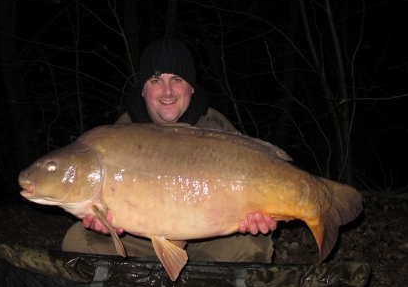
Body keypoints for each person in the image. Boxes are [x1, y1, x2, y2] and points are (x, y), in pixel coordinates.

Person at [62, 37, 276, 263]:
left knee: (256, 243)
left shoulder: (215, 127)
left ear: (191, 87)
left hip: (208, 236)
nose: (167, 91)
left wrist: (254, 219)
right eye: (155, 80)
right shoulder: (122, 132)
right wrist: (104, 223)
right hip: (141, 237)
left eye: (176, 79)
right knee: (78, 240)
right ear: (143, 90)